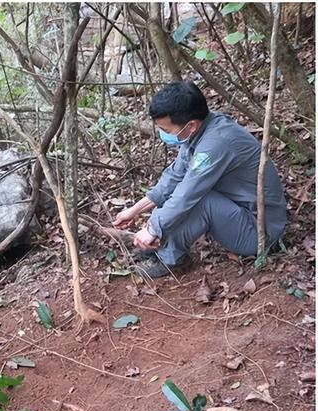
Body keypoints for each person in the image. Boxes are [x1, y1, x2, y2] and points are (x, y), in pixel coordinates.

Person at [113, 81, 287, 278]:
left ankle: (172, 259)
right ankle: (164, 243)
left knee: (200, 199)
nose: (164, 135)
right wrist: (134, 210)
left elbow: (187, 193)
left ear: (191, 125)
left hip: (261, 233)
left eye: (167, 130)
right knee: (181, 199)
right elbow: (174, 178)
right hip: (240, 214)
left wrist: (153, 227)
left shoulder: (216, 143)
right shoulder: (201, 131)